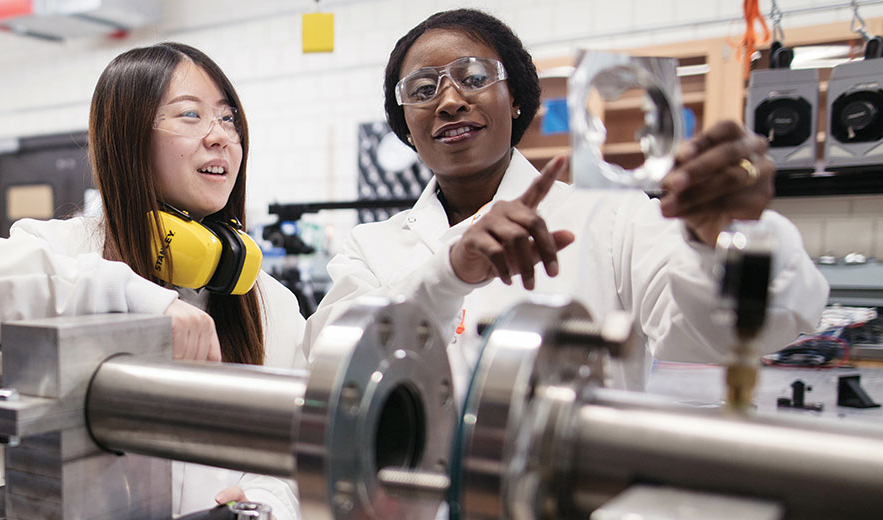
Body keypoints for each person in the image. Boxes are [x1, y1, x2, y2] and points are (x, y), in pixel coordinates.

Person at [0, 42, 305, 520]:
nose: (220, 137)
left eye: (228, 119)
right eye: (190, 115)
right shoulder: (69, 252)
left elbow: (301, 448)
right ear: (126, 140)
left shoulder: (268, 301)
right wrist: (122, 291)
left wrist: (268, 504)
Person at [305, 8, 828, 392]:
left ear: (516, 102)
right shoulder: (370, 246)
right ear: (407, 128)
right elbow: (328, 362)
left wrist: (725, 242)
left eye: (474, 77)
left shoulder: (612, 217)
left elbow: (732, 334)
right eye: (422, 89)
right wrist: (447, 273)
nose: (449, 100)